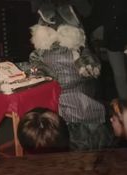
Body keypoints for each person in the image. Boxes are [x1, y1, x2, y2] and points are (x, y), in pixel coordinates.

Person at [28, 0, 114, 150]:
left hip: (78, 105)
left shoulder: (76, 46)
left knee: (83, 139)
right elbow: (36, 61)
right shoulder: (45, 47)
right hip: (62, 104)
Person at [86, 0, 127, 100]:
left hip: (120, 39)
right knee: (120, 75)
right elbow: (94, 19)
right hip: (113, 42)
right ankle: (125, 105)